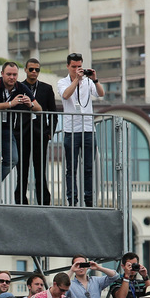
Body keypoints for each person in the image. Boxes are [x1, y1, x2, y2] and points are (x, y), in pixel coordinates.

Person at [0, 62, 37, 203]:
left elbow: (39, 108)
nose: (12, 77)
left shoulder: (21, 88)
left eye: (14, 74)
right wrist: (10, 104)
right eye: (9, 74)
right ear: (2, 74)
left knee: (13, 159)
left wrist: (31, 104)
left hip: (5, 128)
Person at [57, 53, 103, 207]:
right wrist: (76, 80)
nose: (77, 69)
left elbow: (101, 93)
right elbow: (65, 95)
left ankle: (89, 199)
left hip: (89, 129)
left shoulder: (88, 82)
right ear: (68, 66)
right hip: (71, 130)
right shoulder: (62, 82)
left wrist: (95, 79)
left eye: (79, 67)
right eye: (74, 67)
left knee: (89, 167)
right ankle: (72, 200)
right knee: (71, 169)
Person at [14, 58, 57, 205]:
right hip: (22, 133)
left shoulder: (46, 88)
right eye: (31, 69)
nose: (34, 72)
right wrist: (14, 132)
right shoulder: (17, 87)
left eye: (37, 70)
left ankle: (44, 201)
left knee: (40, 170)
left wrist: (50, 131)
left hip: (40, 134)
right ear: (25, 70)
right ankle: (21, 201)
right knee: (22, 169)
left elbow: (53, 112)